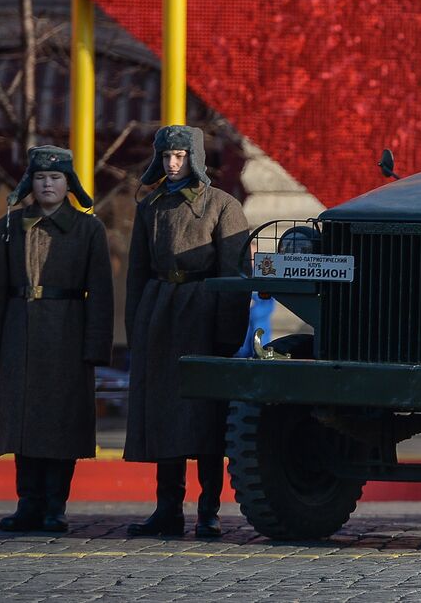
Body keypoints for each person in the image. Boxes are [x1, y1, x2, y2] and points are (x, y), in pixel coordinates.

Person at [124, 126, 250, 538]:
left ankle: (209, 510)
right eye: (166, 156)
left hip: (202, 316)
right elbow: (137, 274)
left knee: (206, 419)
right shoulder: (151, 206)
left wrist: (228, 334)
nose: (172, 163)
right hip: (160, 315)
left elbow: (235, 276)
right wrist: (136, 328)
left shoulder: (222, 205)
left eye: (179, 156)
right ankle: (167, 509)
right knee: (165, 415)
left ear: (194, 157)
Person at [0, 146, 113, 532]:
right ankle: (28, 503)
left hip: (68, 335)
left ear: (68, 183)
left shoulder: (89, 229)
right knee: (23, 422)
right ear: (30, 182)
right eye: (40, 177)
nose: (47, 184)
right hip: (19, 335)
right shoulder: (10, 226)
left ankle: (56, 505)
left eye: (55, 177)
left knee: (62, 423)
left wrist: (96, 346)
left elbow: (101, 293)